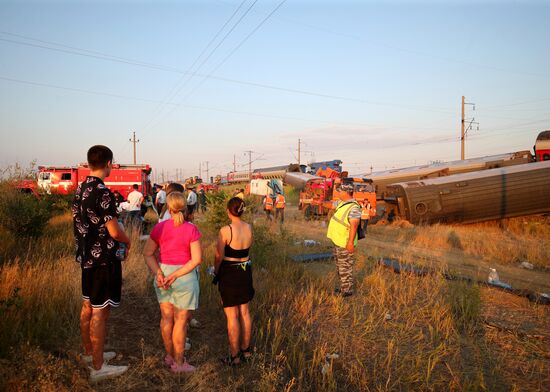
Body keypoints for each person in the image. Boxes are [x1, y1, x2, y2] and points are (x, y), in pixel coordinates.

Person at [72, 145, 131, 382]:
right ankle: (98, 367)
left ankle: (90, 352)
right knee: (100, 312)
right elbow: (114, 231)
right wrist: (128, 241)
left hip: (86, 258)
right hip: (104, 260)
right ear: (108, 163)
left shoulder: (81, 188)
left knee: (88, 305)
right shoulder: (103, 192)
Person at [143, 192, 202, 373]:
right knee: (181, 322)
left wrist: (159, 273)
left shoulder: (160, 228)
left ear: (168, 208)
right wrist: (176, 275)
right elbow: (196, 259)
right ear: (185, 208)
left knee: (166, 318)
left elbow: (148, 253)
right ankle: (179, 363)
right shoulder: (191, 229)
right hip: (184, 277)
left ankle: (169, 356)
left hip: (163, 275)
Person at [213, 197, 254, 366]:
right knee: (244, 312)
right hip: (245, 269)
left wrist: (216, 272)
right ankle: (246, 351)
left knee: (232, 315)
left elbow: (218, 256)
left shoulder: (225, 230)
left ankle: (234, 356)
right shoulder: (249, 228)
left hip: (229, 271)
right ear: (242, 210)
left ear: (229, 211)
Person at [326, 182, 361, 297]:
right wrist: (319, 202)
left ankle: (347, 291)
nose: (338, 193)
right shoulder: (342, 203)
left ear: (346, 192)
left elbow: (354, 226)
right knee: (340, 266)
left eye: (340, 191)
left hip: (345, 242)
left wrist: (350, 243)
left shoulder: (354, 207)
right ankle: (344, 288)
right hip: (338, 241)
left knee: (345, 267)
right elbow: (331, 205)